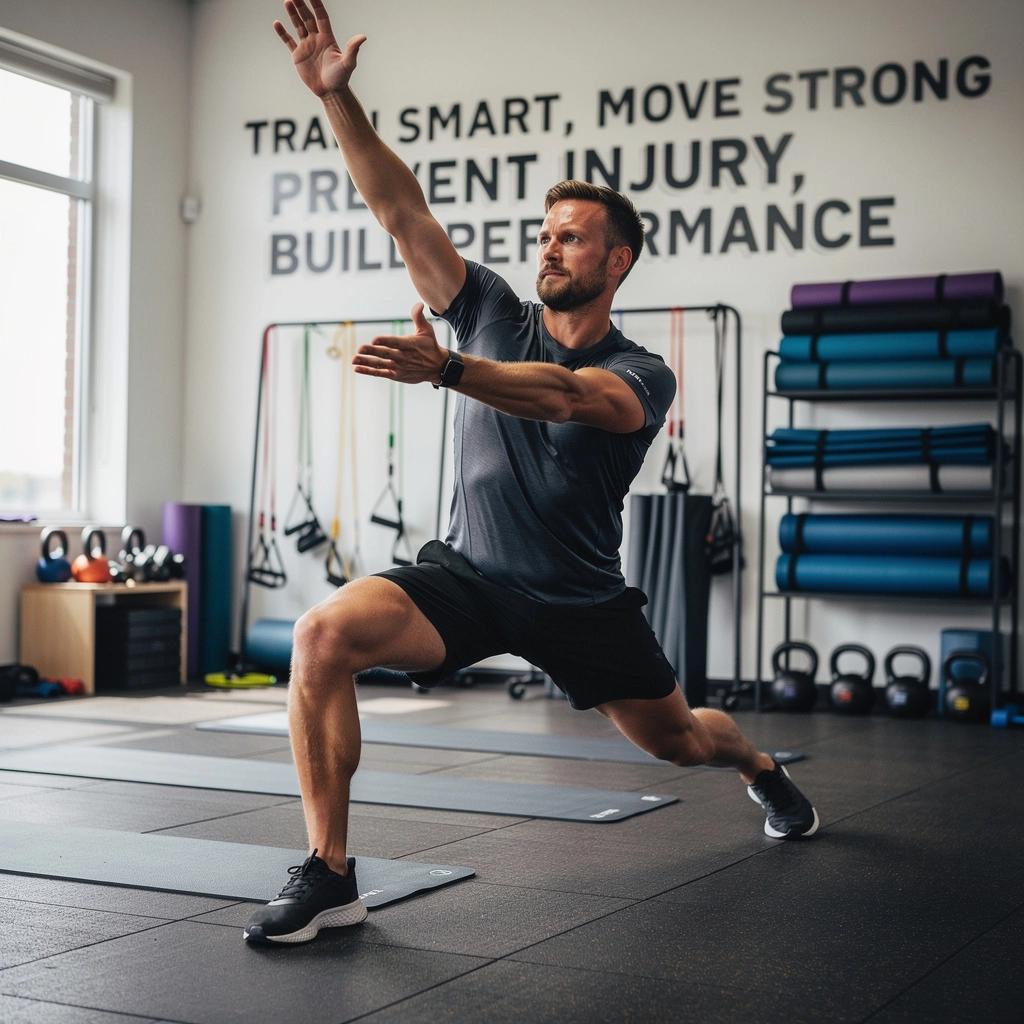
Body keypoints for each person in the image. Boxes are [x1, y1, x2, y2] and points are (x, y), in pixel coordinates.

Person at [244, 0, 818, 947]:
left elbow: (562, 396)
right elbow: (400, 210)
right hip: (468, 578)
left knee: (680, 743)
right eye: (545, 233)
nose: (549, 245)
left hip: (580, 602)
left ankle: (758, 765)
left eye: (573, 236)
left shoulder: (643, 370)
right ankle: (330, 868)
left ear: (617, 260)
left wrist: (454, 371)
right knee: (321, 636)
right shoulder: (488, 309)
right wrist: (338, 103)